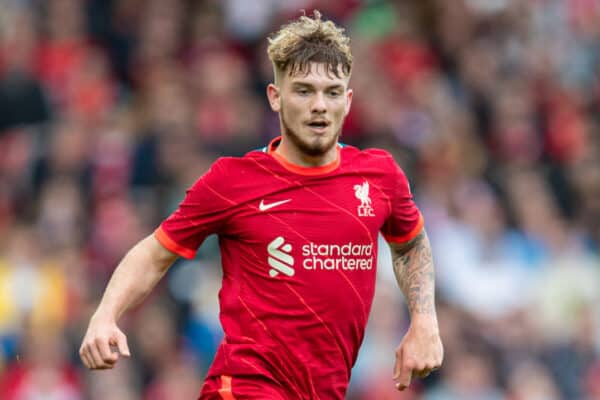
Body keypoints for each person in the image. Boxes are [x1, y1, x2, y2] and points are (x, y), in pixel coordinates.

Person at [79, 10, 443, 399]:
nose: (319, 105)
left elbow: (410, 244)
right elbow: (155, 252)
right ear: (275, 97)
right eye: (303, 90)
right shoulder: (233, 181)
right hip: (245, 387)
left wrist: (424, 322)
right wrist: (106, 314)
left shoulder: (380, 176)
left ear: (348, 100)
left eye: (331, 92)